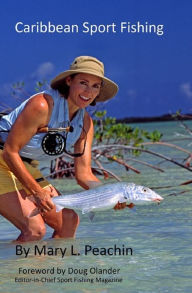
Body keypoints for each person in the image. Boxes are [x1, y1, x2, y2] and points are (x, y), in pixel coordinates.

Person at [0, 56, 126, 242]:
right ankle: (12, 270)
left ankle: (51, 270)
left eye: (95, 86)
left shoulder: (85, 123)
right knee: (35, 229)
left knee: (68, 220)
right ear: (69, 81)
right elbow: (10, 152)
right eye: (83, 83)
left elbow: (84, 174)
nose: (88, 91)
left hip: (20, 164)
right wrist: (36, 191)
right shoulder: (42, 105)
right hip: (4, 156)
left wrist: (111, 195)